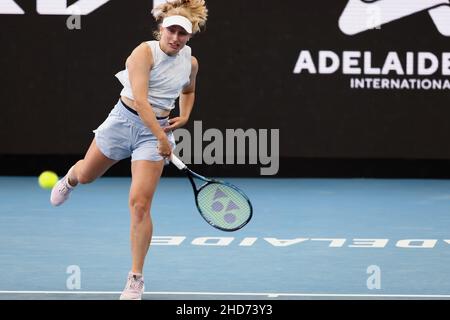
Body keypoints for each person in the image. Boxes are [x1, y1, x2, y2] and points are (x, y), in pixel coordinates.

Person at [50, 0, 208, 300]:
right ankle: (70, 179)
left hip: (155, 134)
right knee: (86, 175)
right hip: (123, 122)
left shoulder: (191, 62)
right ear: (161, 28)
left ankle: (136, 278)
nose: (175, 38)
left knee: (140, 205)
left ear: (190, 35)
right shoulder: (143, 53)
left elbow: (189, 90)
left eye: (182, 33)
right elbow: (142, 101)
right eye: (171, 30)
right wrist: (162, 139)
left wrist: (185, 116)